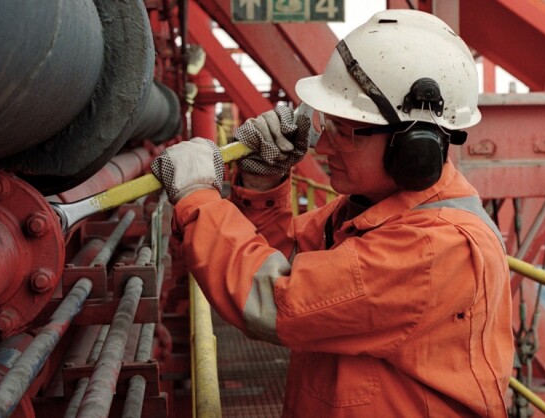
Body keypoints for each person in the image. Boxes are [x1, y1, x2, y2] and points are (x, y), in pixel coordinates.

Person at [151, 9, 513, 417]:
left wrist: (197, 198)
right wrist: (262, 183)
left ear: (415, 148)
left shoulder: (435, 248)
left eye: (343, 131)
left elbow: (273, 299)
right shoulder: (369, 213)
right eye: (328, 125)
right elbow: (286, 262)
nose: (321, 147)